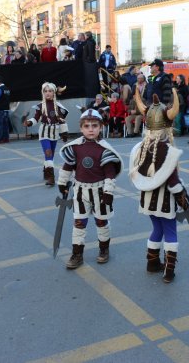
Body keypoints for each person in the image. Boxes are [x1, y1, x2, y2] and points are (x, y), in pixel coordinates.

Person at [129, 86, 189, 283]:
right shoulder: (168, 150)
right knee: (170, 232)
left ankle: (152, 263)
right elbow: (173, 181)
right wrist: (183, 199)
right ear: (168, 127)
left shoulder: (140, 148)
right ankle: (169, 271)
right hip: (165, 201)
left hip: (148, 200)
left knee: (157, 229)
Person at [57, 109, 123, 269]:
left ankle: (104, 250)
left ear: (100, 127)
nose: (91, 129)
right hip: (80, 192)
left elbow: (110, 173)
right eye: (87, 126)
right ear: (81, 128)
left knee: (101, 222)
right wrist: (62, 182)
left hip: (99, 192)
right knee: (79, 223)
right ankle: (77, 254)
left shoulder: (104, 149)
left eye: (94, 125)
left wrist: (108, 192)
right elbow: (67, 166)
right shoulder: (76, 147)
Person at [24, 83, 69, 185]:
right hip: (44, 133)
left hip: (54, 133)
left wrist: (64, 134)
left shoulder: (58, 106)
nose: (47, 93)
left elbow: (61, 120)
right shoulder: (40, 106)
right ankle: (51, 177)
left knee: (50, 155)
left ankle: (46, 170)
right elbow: (36, 119)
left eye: (50, 91)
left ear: (54, 93)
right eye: (45, 91)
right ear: (43, 93)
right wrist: (29, 122)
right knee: (48, 153)